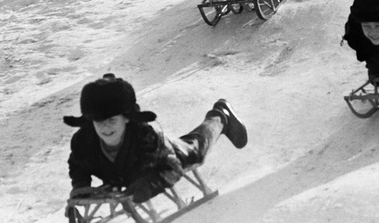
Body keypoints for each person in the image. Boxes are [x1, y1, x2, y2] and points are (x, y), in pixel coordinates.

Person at [64, 73, 248, 204]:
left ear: (126, 117)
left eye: (112, 120)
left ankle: (220, 116)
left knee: (195, 149)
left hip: (165, 156)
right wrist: (81, 186)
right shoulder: (83, 142)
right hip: (128, 173)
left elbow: (172, 168)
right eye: (98, 121)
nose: (105, 127)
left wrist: (149, 186)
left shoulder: (145, 137)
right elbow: (78, 165)